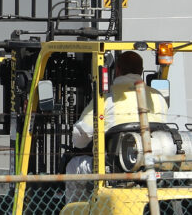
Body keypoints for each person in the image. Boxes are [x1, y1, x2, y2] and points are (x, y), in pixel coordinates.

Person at [65, 51, 169, 202]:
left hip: (114, 168)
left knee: (73, 166)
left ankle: (77, 212)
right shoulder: (158, 97)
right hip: (151, 165)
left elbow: (79, 140)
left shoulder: (106, 99)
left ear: (118, 70)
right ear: (141, 71)